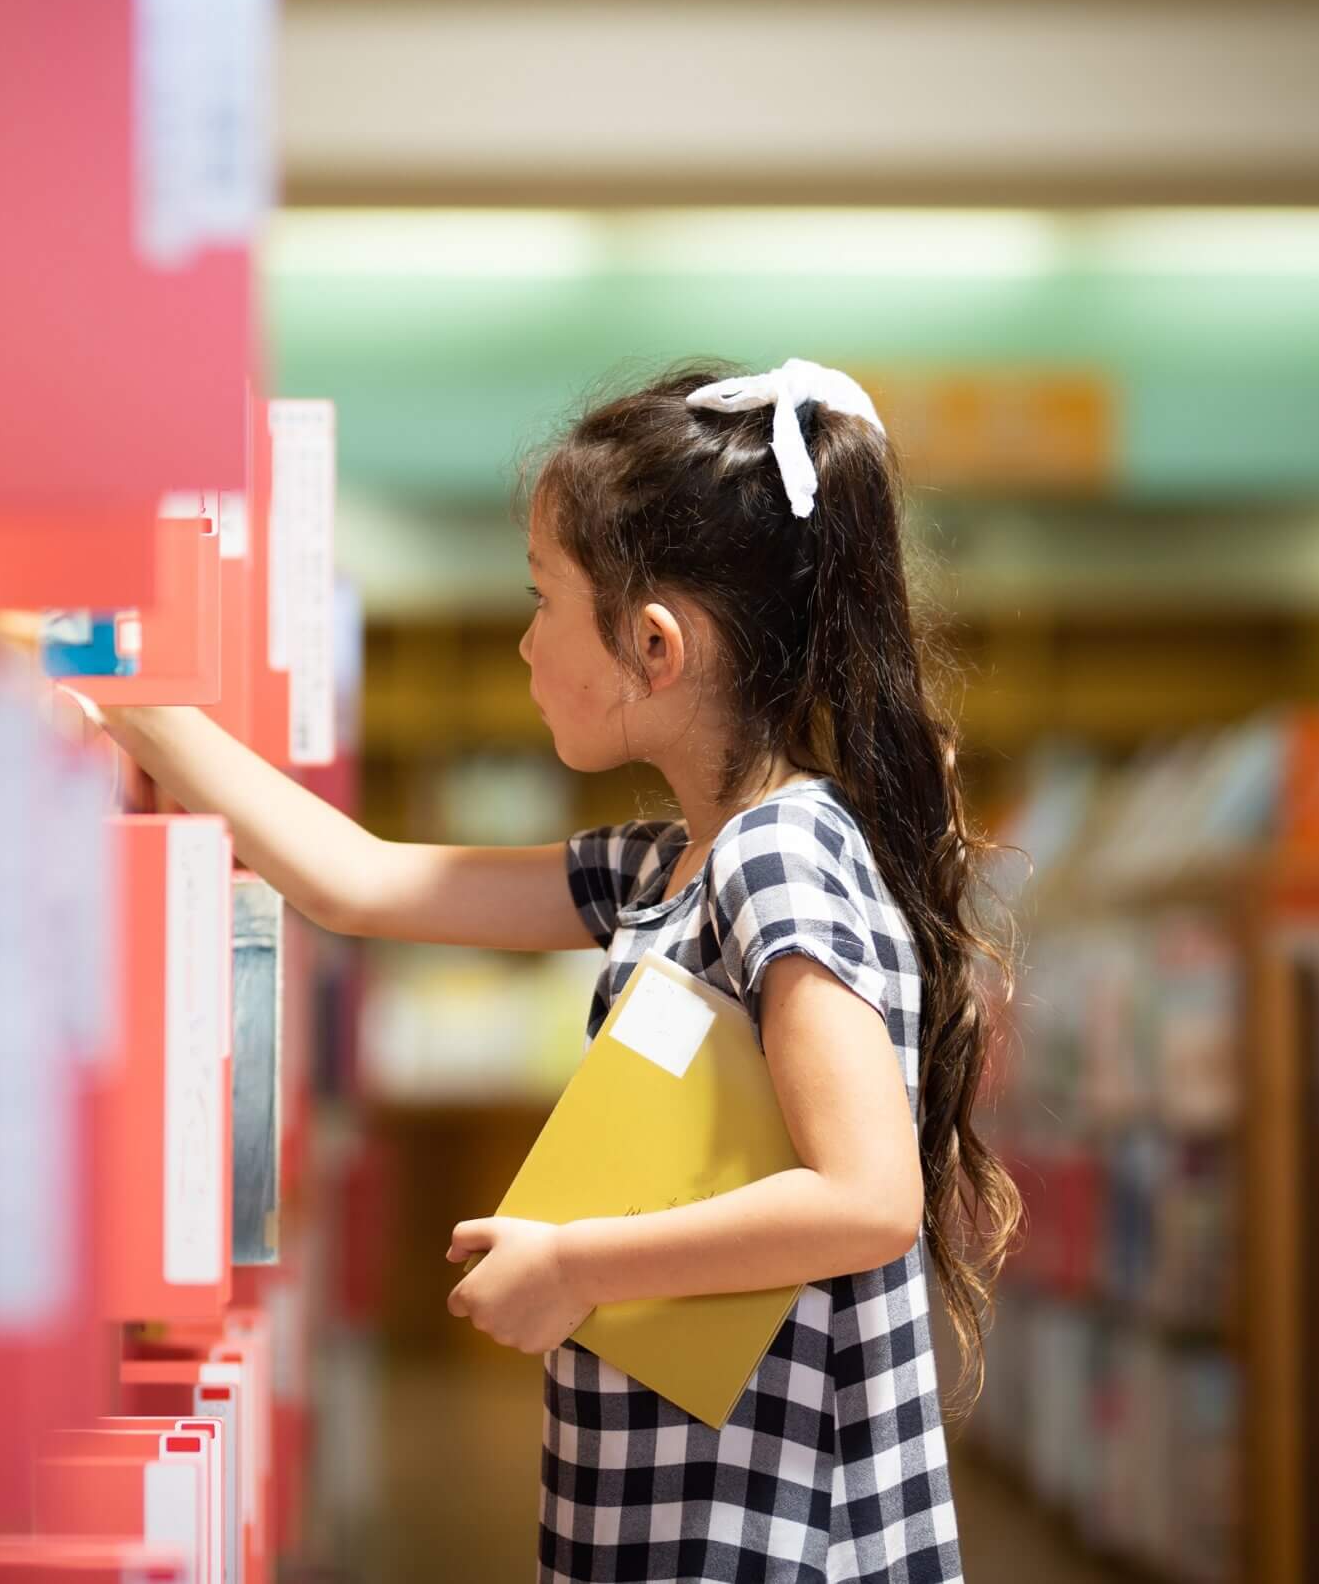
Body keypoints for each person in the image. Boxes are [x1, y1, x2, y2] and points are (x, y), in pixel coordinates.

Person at [66, 358, 1016, 1584]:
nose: (524, 640)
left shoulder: (777, 858)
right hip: (689, 1512)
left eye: (542, 597)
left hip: (776, 1537)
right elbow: (358, 880)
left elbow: (867, 1196)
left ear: (654, 645)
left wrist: (574, 1264)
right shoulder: (666, 865)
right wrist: (128, 694)